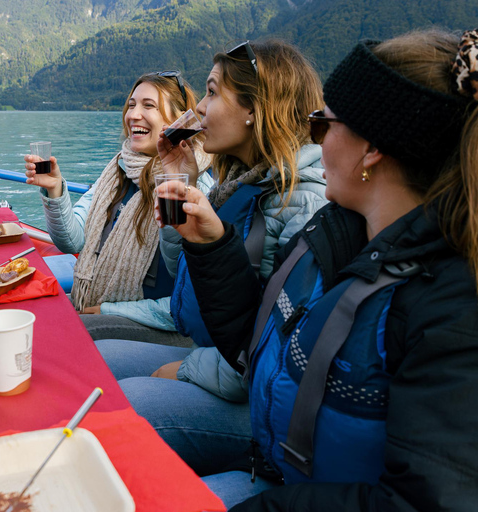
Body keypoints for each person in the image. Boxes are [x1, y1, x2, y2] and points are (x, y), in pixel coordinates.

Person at [151, 25, 478, 510]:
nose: (313, 142)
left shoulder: (476, 313)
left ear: (371, 150)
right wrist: (212, 247)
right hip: (281, 473)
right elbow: (256, 349)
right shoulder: (338, 234)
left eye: (322, 125)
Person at [96, 38, 326, 474]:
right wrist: (178, 177)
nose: (199, 108)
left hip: (254, 389)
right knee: (96, 361)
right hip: (215, 354)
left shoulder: (302, 201)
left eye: (213, 92)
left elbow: (274, 348)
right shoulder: (236, 182)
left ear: (254, 109)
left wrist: (183, 370)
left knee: (129, 406)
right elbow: (183, 274)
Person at [24, 71, 213, 346]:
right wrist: (55, 190)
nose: (133, 114)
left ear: (178, 122)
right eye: (132, 104)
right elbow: (73, 240)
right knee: (30, 315)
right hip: (99, 305)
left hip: (162, 325)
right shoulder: (118, 169)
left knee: (54, 334)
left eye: (149, 106)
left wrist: (110, 310)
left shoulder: (193, 186)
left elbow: (190, 300)